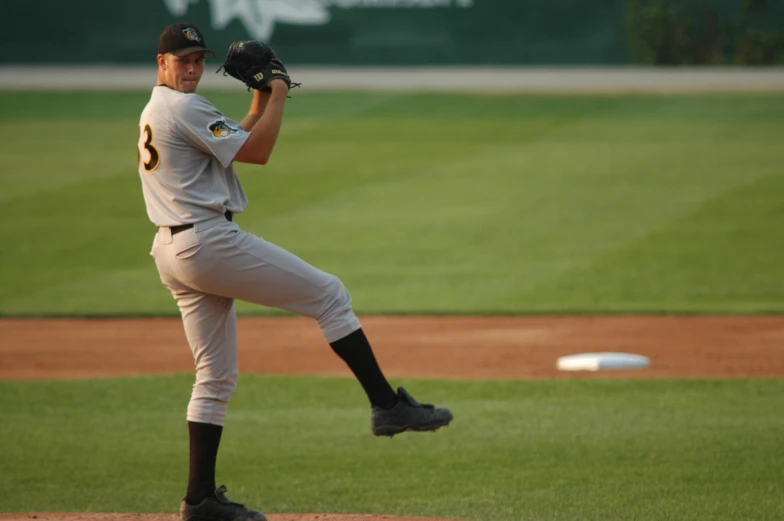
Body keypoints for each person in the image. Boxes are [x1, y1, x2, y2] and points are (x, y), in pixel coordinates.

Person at [137, 22, 454, 521]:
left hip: (172, 249)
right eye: (183, 60)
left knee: (214, 378)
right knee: (330, 295)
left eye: (199, 59)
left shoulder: (159, 110)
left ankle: (199, 500)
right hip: (207, 242)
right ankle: (387, 406)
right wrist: (280, 89)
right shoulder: (185, 106)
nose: (193, 68)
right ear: (162, 63)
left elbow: (238, 140)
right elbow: (258, 152)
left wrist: (260, 100)